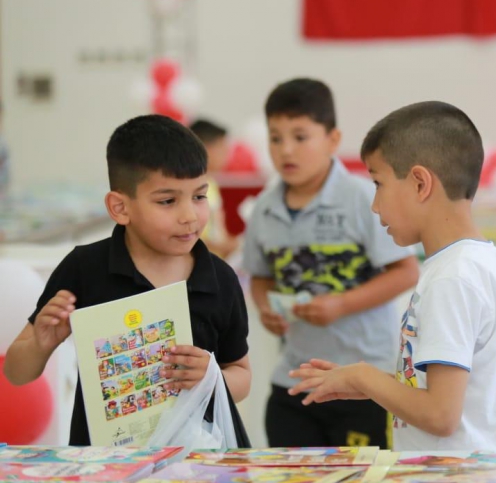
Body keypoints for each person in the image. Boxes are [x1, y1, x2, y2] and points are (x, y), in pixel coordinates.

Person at [289, 101, 496, 452]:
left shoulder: (453, 277)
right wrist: (369, 386)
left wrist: (362, 375)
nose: (374, 205)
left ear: (419, 183)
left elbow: (441, 415)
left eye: (378, 183)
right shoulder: (473, 260)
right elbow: (442, 395)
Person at [4, 115, 252, 445]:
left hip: (200, 467)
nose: (190, 215)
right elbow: (16, 373)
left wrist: (210, 377)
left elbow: (243, 375)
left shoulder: (220, 278)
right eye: (167, 201)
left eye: (199, 196)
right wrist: (41, 344)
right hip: (106, 470)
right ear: (120, 207)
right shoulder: (84, 268)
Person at [243, 78, 419, 449]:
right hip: (295, 380)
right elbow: (259, 276)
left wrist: (342, 304)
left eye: (300, 136)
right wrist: (264, 308)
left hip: (362, 381)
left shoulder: (361, 198)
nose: (285, 150)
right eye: (275, 138)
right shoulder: (264, 208)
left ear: (333, 140)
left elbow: (405, 272)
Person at [188, 118, 239, 259]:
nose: (227, 155)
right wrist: (219, 246)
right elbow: (184, 233)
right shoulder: (187, 186)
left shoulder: (212, 185)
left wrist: (230, 243)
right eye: (223, 149)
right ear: (205, 148)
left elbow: (219, 230)